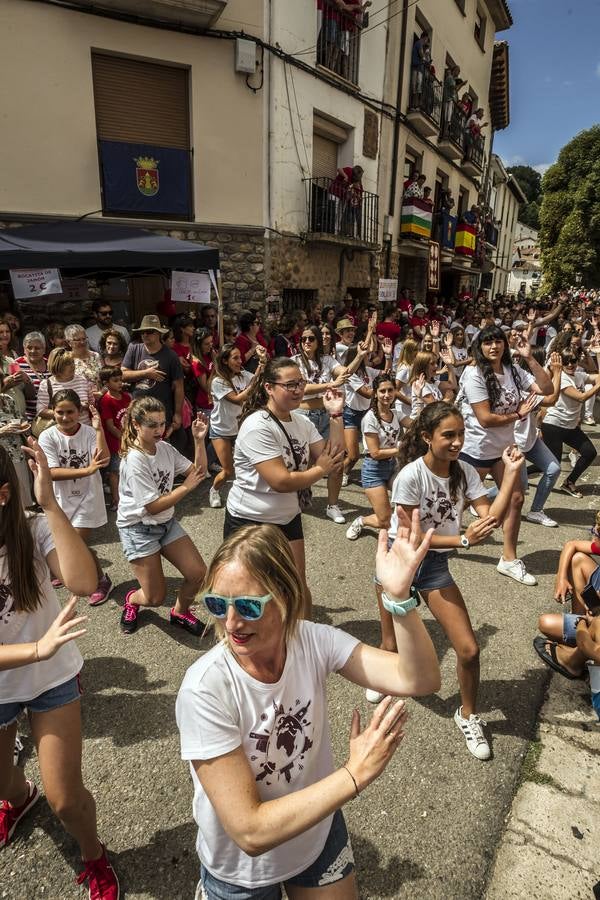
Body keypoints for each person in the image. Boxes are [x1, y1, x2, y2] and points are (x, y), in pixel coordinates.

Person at [175, 514, 441, 899]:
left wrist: (398, 598)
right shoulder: (205, 689)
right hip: (242, 872)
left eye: (248, 607)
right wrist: (354, 775)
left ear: (284, 597)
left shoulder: (311, 641)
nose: (231, 622)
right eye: (218, 603)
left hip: (317, 830)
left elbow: (419, 679)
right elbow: (249, 830)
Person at [0, 441, 119, 898]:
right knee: (3, 784)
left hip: (52, 678)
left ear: (5, 493)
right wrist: (35, 648)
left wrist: (49, 503)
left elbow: (85, 582)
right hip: (12, 677)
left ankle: (94, 854)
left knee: (66, 799)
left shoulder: (31, 530)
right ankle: (18, 798)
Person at [381, 402, 525, 759]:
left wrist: (508, 475)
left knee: (468, 649)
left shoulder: (464, 472)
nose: (458, 442)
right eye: (449, 435)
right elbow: (411, 538)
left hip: (433, 567)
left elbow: (488, 517)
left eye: (461, 434)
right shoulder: (410, 477)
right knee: (390, 643)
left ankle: (469, 715)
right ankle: (386, 684)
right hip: (400, 563)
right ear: (427, 437)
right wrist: (463, 539)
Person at [224, 356, 346, 617]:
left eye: (300, 383)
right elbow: (280, 481)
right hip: (249, 519)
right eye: (290, 385)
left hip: (287, 517)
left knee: (296, 584)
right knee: (250, 589)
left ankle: (303, 639)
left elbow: (334, 460)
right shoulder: (257, 426)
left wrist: (335, 414)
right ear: (269, 387)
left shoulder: (302, 422)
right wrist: (319, 470)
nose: (298, 390)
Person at [457, 326, 553, 585]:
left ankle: (508, 559)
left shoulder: (513, 370)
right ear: (480, 346)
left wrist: (530, 357)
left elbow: (546, 389)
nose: (494, 347)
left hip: (504, 451)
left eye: (498, 341)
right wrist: (519, 414)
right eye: (488, 342)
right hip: (475, 450)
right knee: (458, 501)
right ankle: (431, 536)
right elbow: (485, 419)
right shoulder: (473, 373)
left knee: (516, 499)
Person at [116, 397, 208, 636]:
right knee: (154, 597)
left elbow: (199, 472)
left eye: (162, 424)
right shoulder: (134, 459)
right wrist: (185, 487)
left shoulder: (165, 448)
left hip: (165, 522)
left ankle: (180, 612)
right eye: (152, 425)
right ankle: (133, 600)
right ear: (136, 425)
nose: (159, 430)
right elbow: (152, 506)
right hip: (138, 528)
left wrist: (199, 441)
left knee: (198, 574)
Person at [38, 390, 112, 607]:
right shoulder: (47, 436)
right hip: (61, 498)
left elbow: (104, 460)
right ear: (53, 412)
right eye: (59, 412)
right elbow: (51, 471)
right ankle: (66, 570)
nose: (64, 417)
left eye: (70, 412)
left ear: (79, 411)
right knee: (64, 541)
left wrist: (99, 431)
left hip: (89, 496)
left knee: (76, 541)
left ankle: (101, 580)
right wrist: (86, 470)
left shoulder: (89, 432)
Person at [292, 324, 365, 525]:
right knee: (304, 464)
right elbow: (301, 388)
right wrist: (330, 385)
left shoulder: (326, 360)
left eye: (311, 338)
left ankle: (332, 505)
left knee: (336, 462)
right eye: (304, 338)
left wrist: (358, 356)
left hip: (326, 416)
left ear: (317, 341)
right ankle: (298, 496)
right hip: (303, 416)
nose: (307, 342)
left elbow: (344, 373)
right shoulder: (295, 362)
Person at [208, 343, 266, 509]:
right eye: (235, 358)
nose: (240, 361)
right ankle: (214, 490)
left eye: (240, 357)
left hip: (240, 428)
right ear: (225, 361)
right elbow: (238, 398)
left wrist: (262, 362)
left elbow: (259, 378)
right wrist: (255, 378)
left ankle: (248, 495)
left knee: (252, 464)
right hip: (221, 430)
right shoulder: (218, 381)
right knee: (228, 471)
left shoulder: (242, 375)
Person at [346, 373, 402, 541]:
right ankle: (361, 521)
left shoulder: (396, 412)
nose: (387, 395)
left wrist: (420, 398)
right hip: (374, 470)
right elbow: (375, 453)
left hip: (393, 466)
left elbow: (416, 423)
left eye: (390, 390)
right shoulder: (370, 418)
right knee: (384, 521)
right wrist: (400, 449)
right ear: (375, 393)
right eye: (382, 391)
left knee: (413, 499)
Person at [540, 350, 600, 499]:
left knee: (589, 452)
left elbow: (596, 376)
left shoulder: (579, 376)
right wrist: (598, 386)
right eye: (565, 361)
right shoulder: (563, 379)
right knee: (552, 464)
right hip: (554, 425)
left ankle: (569, 482)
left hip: (570, 426)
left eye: (573, 360)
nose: (570, 364)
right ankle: (518, 475)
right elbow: (581, 397)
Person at [121, 314, 185, 446]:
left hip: (161, 412)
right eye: (142, 332)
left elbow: (179, 386)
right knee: (136, 445)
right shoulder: (134, 348)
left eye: (149, 332)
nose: (145, 335)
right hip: (137, 409)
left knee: (160, 447)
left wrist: (178, 413)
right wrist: (146, 373)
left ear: (158, 334)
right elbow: (122, 374)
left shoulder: (171, 355)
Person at [342, 336, 391, 486]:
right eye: (363, 353)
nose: (368, 356)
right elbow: (367, 393)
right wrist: (381, 390)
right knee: (353, 455)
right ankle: (343, 473)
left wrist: (387, 356)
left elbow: (385, 374)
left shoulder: (367, 370)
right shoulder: (349, 375)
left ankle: (371, 474)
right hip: (351, 414)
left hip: (365, 413)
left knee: (371, 448)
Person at [98, 367, 131, 512]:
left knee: (127, 469)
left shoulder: (126, 397)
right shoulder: (106, 401)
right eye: (115, 380)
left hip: (127, 439)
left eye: (120, 380)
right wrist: (123, 439)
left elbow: (130, 419)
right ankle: (116, 500)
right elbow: (110, 426)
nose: (120, 383)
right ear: (106, 383)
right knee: (114, 471)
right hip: (113, 443)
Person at [36, 348, 95, 427]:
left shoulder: (82, 380)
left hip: (84, 429)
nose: (72, 366)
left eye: (72, 362)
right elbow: (40, 411)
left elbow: (92, 403)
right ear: (57, 365)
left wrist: (85, 406)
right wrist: (65, 412)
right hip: (60, 433)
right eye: (67, 363)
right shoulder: (46, 384)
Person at [15, 332, 49, 422]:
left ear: (44, 350)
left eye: (37, 348)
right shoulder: (16, 364)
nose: (33, 351)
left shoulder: (51, 364)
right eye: (29, 348)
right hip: (28, 420)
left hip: (51, 418)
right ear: (24, 349)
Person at [64, 325, 102, 390]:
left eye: (84, 339)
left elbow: (105, 379)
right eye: (78, 340)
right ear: (68, 342)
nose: (82, 342)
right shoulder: (66, 359)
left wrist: (101, 393)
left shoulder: (96, 356)